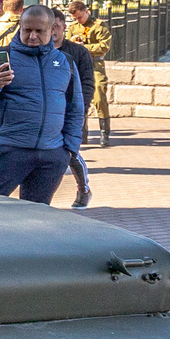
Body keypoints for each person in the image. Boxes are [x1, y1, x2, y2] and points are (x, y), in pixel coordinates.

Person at [0, 3, 82, 203]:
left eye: (40, 31)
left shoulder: (65, 62)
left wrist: (68, 149)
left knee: (36, 219)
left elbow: (75, 107)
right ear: (21, 26)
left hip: (51, 154)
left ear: (52, 29)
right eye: (27, 30)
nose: (33, 36)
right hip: (8, 150)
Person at [50, 22, 98, 208]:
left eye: (57, 26)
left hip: (68, 111)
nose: (53, 31)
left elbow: (86, 82)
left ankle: (83, 189)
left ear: (64, 28)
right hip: (47, 112)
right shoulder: (37, 52)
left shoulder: (76, 53)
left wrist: (81, 109)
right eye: (49, 27)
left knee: (70, 152)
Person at [63, 0, 112, 148]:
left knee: (98, 96)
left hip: (95, 64)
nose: (78, 20)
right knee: (78, 97)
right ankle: (82, 132)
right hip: (78, 65)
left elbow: (104, 46)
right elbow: (66, 44)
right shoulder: (73, 27)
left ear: (86, 11)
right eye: (75, 18)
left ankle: (104, 132)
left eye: (79, 17)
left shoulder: (99, 26)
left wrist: (85, 47)